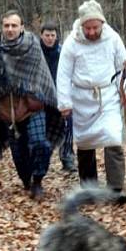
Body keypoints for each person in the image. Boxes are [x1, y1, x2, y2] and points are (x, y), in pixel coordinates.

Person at [0, 10, 66, 199]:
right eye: (6, 25)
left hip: (33, 106)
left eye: (14, 25)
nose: (10, 29)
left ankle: (38, 180)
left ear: (22, 27)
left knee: (40, 143)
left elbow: (41, 78)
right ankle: (26, 179)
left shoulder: (32, 47)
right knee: (19, 154)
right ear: (2, 27)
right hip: (8, 110)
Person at [56, 0, 126, 195]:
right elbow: (63, 74)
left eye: (95, 27)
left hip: (107, 95)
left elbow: (123, 66)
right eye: (87, 28)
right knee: (85, 143)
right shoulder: (71, 43)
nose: (91, 32)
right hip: (82, 98)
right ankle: (89, 188)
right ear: (81, 25)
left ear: (102, 24)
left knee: (113, 137)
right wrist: (65, 102)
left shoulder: (113, 38)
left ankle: (115, 189)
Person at [39, 21, 77, 173]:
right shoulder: (35, 53)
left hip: (60, 95)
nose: (49, 38)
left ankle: (67, 159)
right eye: (47, 35)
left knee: (68, 127)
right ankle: (40, 161)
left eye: (52, 35)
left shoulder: (63, 52)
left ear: (57, 36)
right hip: (40, 97)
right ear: (41, 35)